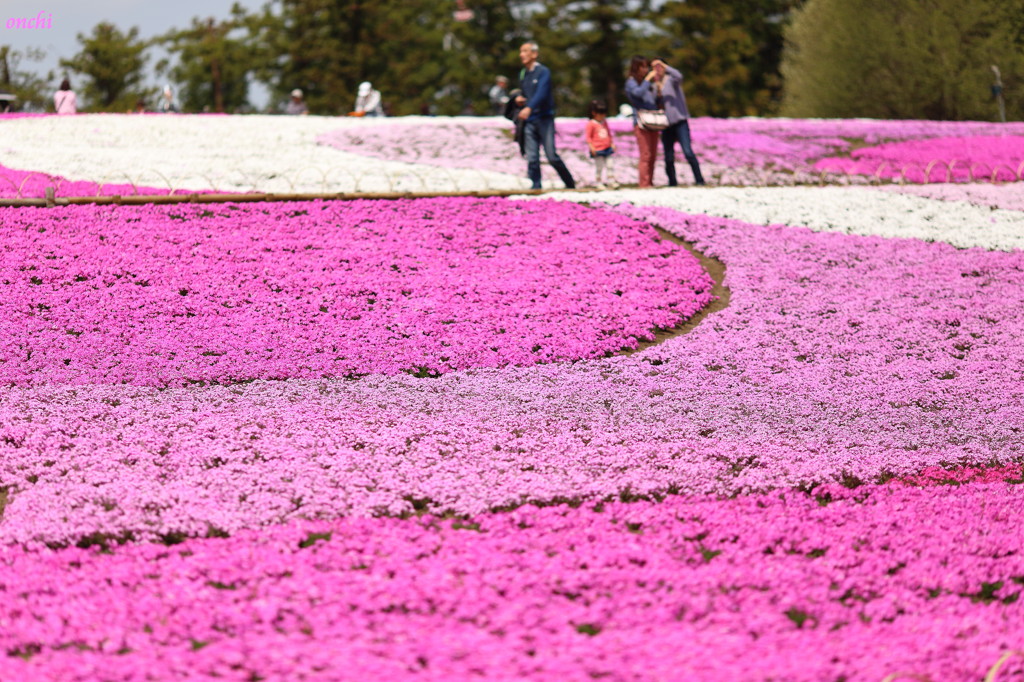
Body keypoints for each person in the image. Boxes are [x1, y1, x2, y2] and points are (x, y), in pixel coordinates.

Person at [514, 41, 575, 190]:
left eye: (525, 51)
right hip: (529, 120)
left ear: (534, 54)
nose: (521, 54)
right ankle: (535, 186)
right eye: (521, 51)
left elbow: (542, 92)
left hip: (544, 119)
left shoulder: (543, 72)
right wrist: (519, 99)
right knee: (532, 157)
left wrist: (529, 107)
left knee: (551, 156)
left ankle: (570, 183)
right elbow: (525, 92)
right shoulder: (523, 73)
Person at [651, 58, 705, 186]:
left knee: (688, 152)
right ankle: (672, 182)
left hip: (680, 120)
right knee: (668, 156)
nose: (657, 69)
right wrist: (657, 91)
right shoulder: (654, 85)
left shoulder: (672, 80)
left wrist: (664, 66)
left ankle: (699, 180)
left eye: (659, 66)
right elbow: (654, 103)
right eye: (654, 67)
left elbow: (679, 75)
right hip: (666, 124)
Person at [624, 56, 660, 188]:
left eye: (647, 67)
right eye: (643, 66)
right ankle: (644, 183)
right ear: (636, 67)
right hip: (641, 121)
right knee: (645, 154)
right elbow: (637, 94)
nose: (646, 69)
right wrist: (647, 80)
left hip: (653, 120)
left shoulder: (647, 83)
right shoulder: (631, 82)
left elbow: (654, 100)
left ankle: (650, 181)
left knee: (653, 154)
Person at [585, 100, 617, 189]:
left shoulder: (604, 122)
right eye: (601, 114)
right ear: (594, 113)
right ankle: (598, 181)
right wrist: (591, 147)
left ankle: (611, 181)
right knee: (599, 166)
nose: (603, 116)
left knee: (610, 165)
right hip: (598, 149)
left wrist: (611, 143)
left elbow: (608, 133)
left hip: (607, 147)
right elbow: (588, 137)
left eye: (604, 114)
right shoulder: (591, 124)